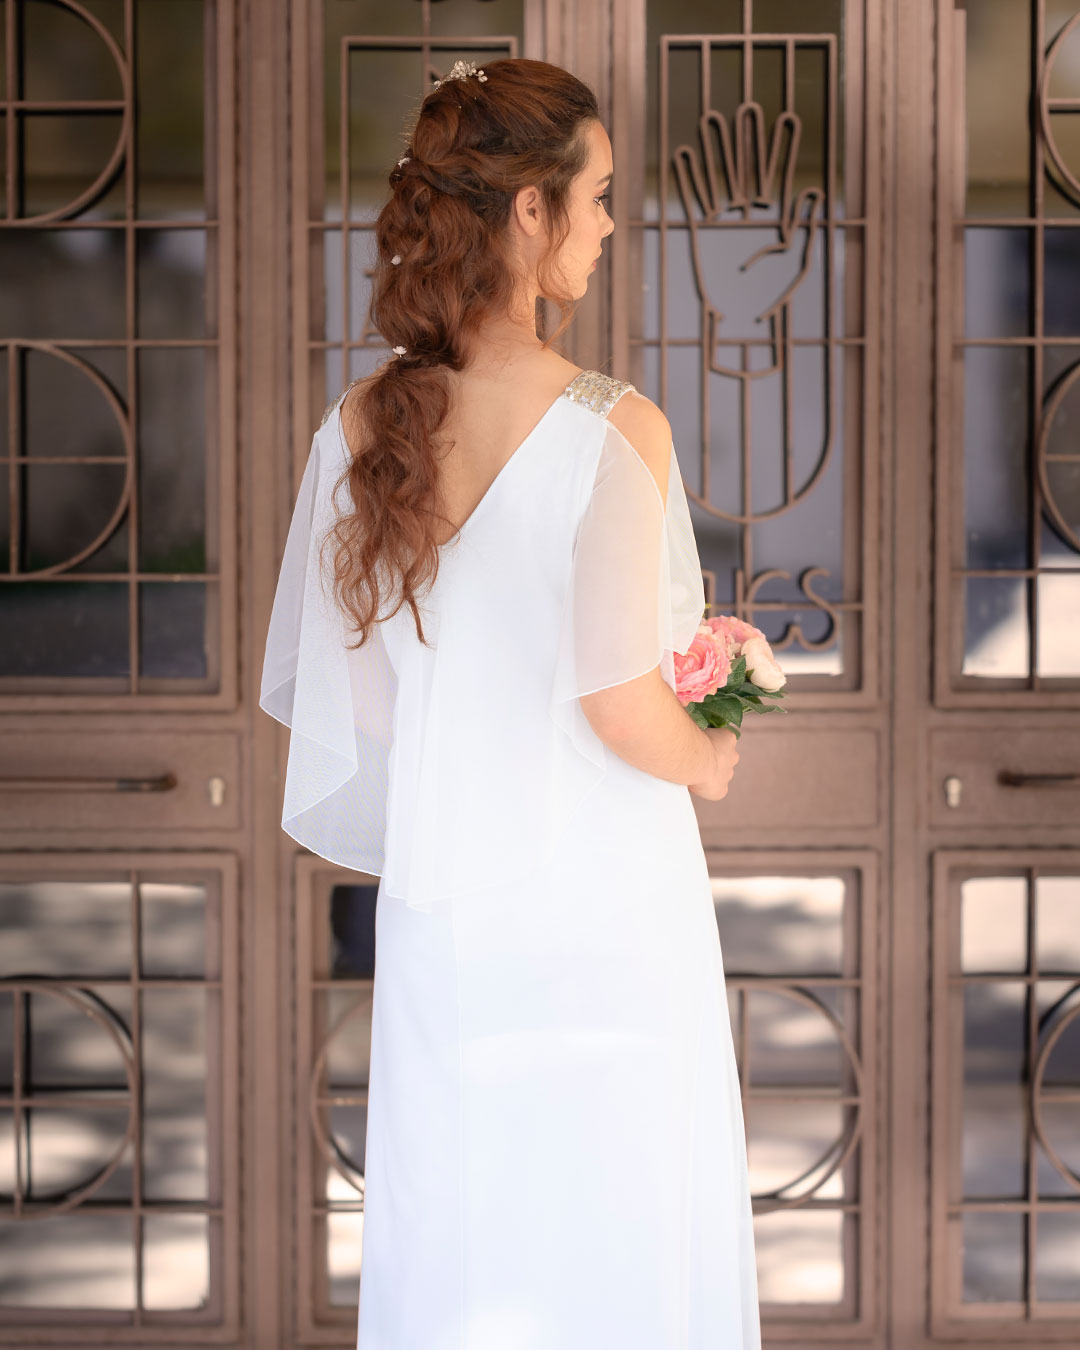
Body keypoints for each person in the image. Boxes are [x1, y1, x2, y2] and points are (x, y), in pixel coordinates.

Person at [261, 55, 760, 1350]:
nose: (607, 223)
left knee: (467, 1229)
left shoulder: (365, 423)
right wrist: (712, 749)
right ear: (527, 214)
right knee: (621, 1225)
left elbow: (361, 707)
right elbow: (616, 701)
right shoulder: (613, 428)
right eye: (596, 196)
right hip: (602, 908)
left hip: (451, 916)